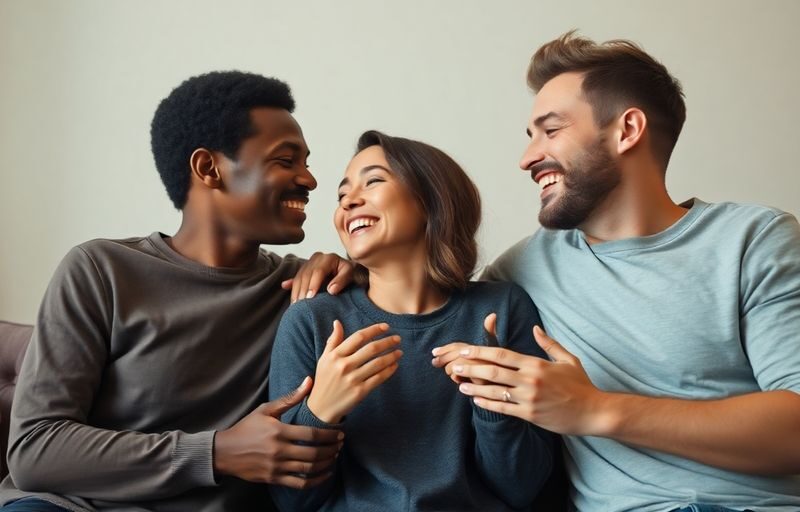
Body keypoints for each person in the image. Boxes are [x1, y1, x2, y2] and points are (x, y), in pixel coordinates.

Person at [431, 31, 800, 511]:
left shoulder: (752, 238)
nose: (527, 158)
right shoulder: (520, 271)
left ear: (627, 130)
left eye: (551, 129)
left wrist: (595, 410)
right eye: (530, 137)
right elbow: (417, 296)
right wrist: (339, 269)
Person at [0, 71, 352, 512]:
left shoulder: (303, 290)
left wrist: (357, 266)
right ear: (208, 168)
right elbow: (36, 450)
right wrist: (217, 452)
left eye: (306, 162)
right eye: (285, 161)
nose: (310, 180)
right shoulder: (101, 269)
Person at [267, 130, 554, 511]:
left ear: (431, 200)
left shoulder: (502, 309)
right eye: (341, 195)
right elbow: (293, 503)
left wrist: (491, 405)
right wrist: (320, 413)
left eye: (373, 181)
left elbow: (521, 489)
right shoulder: (310, 321)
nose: (349, 201)